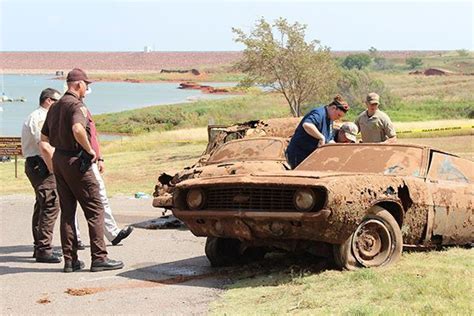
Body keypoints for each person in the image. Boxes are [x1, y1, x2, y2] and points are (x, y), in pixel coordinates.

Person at [40, 68, 123, 273]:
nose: (87, 89)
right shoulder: (76, 105)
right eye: (86, 85)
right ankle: (99, 258)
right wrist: (90, 150)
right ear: (78, 84)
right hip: (76, 160)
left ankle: (70, 260)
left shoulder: (55, 107)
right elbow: (78, 129)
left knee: (67, 212)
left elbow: (44, 139)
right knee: (95, 209)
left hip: (59, 158)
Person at [75, 108, 134, 247]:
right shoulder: (71, 109)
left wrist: (99, 157)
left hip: (91, 160)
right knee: (74, 201)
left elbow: (93, 135)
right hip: (80, 161)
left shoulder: (84, 110)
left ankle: (113, 233)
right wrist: (89, 152)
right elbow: (77, 131)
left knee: (100, 197)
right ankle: (75, 239)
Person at [21, 88, 62, 263]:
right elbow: (44, 145)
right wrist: (54, 168)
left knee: (42, 203)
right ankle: (44, 249)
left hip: (39, 163)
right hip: (41, 164)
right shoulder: (40, 118)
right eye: (57, 102)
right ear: (48, 100)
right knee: (51, 203)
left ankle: (40, 246)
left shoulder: (42, 116)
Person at [286, 95, 350, 168]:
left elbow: (329, 139)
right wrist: (321, 137)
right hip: (299, 153)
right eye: (338, 115)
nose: (338, 118)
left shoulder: (330, 120)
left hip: (311, 155)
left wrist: (338, 149)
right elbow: (307, 125)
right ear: (333, 108)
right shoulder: (319, 113)